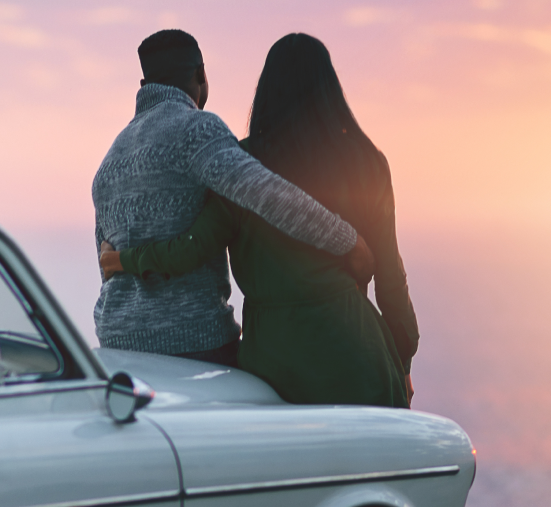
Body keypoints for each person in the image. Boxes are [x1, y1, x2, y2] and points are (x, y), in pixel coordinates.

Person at [101, 33, 418, 407]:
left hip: (263, 362)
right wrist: (401, 358)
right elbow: (391, 280)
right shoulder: (366, 162)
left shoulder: (232, 159)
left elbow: (191, 247)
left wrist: (124, 260)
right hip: (353, 354)